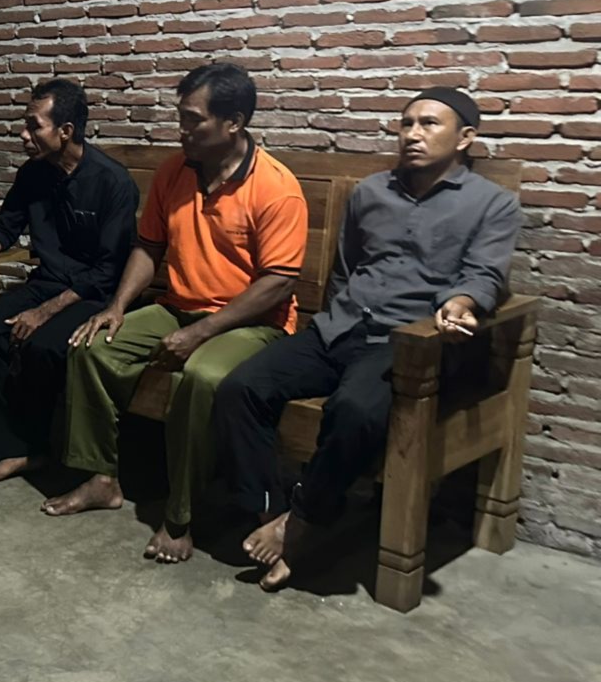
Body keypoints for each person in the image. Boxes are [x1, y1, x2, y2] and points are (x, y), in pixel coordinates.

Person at [215, 89, 521, 592]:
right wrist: (333, 316)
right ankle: (270, 511)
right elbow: (345, 268)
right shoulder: (372, 192)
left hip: (407, 342)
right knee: (239, 387)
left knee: (354, 409)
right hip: (340, 328)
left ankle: (302, 523)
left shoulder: (492, 203)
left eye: (428, 124)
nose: (413, 134)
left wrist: (460, 303)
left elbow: (484, 274)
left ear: (465, 137)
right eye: (406, 123)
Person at [49, 63, 309, 565]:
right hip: (178, 307)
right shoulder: (175, 171)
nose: (182, 129)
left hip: (252, 324)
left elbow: (278, 282)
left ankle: (179, 515)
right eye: (181, 117)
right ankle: (102, 478)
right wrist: (117, 307)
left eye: (193, 120)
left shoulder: (276, 187)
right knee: (92, 345)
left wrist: (202, 332)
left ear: (233, 122)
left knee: (202, 376)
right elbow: (148, 247)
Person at [0, 78, 137, 486]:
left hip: (95, 294)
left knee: (43, 345)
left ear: (66, 131)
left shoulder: (113, 182)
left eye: (33, 126)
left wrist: (44, 312)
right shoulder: (33, 174)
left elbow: (109, 270)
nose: (23, 135)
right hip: (48, 283)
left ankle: (42, 446)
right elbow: (5, 227)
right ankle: (13, 449)